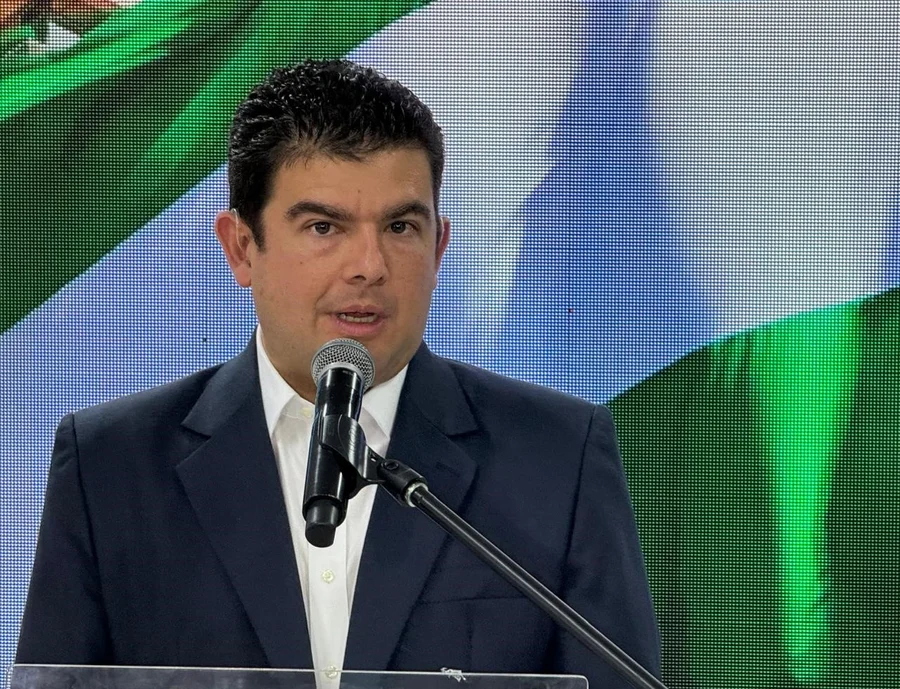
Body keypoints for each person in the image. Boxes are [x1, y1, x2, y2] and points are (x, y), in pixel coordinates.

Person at [16, 60, 661, 688]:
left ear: (439, 247)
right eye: (324, 226)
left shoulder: (558, 456)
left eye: (401, 226)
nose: (369, 266)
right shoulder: (111, 465)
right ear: (241, 248)